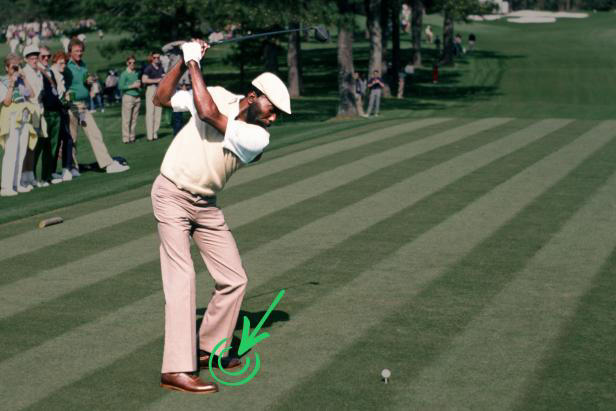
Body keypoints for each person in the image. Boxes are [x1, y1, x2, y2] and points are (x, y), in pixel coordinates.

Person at [151, 39, 291, 394]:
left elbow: (209, 113)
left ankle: (207, 348)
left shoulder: (258, 137)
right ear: (253, 95)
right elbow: (162, 99)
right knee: (182, 280)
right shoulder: (216, 93)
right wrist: (183, 63)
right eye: (272, 109)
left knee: (234, 278)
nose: (274, 119)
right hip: (171, 194)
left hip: (206, 204)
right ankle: (176, 369)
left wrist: (195, 62)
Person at [64, 38, 129, 173]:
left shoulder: (83, 65)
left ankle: (106, 164)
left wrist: (88, 83)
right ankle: (72, 167)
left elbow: (84, 82)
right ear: (70, 52)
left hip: (83, 105)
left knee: (95, 133)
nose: (79, 53)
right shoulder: (66, 66)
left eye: (81, 51)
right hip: (71, 106)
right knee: (72, 138)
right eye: (76, 51)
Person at [0, 53, 36, 196]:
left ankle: (17, 182)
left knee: (21, 152)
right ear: (6, 68)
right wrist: (11, 83)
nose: (15, 69)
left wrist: (24, 78)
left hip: (24, 117)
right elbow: (7, 101)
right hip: (11, 118)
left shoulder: (21, 80)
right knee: (11, 152)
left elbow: (31, 95)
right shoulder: (2, 81)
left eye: (17, 66)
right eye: (13, 66)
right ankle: (6, 186)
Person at [21, 44, 45, 188]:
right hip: (28, 111)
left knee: (33, 145)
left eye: (36, 56)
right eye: (31, 57)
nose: (34, 59)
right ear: (26, 59)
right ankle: (24, 178)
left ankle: (30, 176)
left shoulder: (38, 72)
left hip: (38, 111)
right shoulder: (25, 72)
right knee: (26, 145)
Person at [49, 51, 74, 182]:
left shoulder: (61, 75)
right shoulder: (52, 74)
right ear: (55, 62)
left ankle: (66, 168)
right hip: (54, 112)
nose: (64, 65)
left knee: (67, 140)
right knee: (56, 142)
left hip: (62, 110)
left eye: (65, 62)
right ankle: (52, 171)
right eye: (61, 62)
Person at [142, 52, 165, 141]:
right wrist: (157, 80)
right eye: (155, 57)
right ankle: (149, 135)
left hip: (159, 90)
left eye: (158, 57)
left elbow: (163, 77)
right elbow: (144, 80)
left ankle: (155, 133)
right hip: (151, 89)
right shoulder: (148, 68)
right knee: (150, 113)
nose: (157, 59)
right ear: (152, 58)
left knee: (158, 113)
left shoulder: (161, 68)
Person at [119, 55, 141, 144]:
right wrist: (132, 86)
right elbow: (120, 86)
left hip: (137, 97)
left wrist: (139, 86)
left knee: (134, 119)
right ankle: (126, 138)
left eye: (134, 62)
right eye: (130, 62)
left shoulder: (136, 73)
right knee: (127, 119)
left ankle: (132, 137)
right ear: (127, 63)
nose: (132, 64)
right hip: (128, 97)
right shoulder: (124, 74)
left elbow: (138, 85)